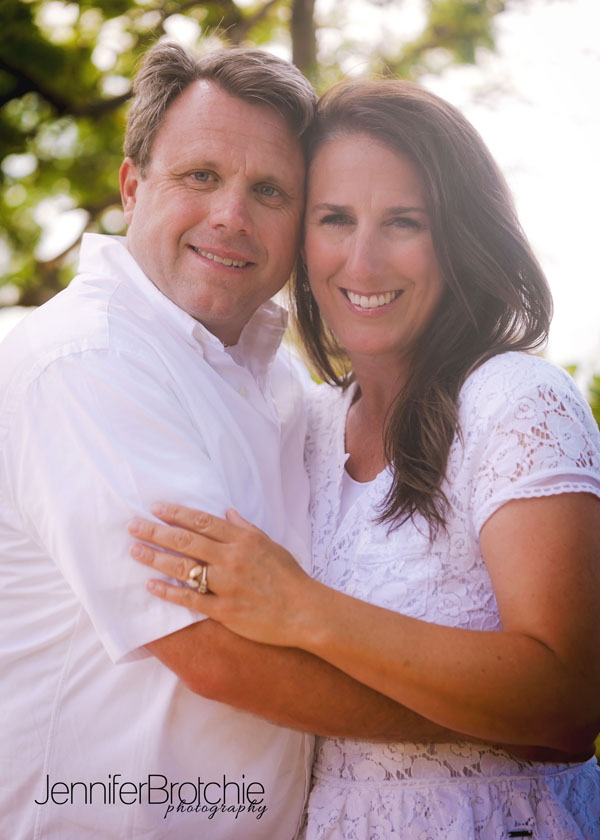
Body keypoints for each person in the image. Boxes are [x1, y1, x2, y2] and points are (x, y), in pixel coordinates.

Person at [0, 48, 464, 840]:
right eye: (201, 176)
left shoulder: (283, 391)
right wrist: (488, 730)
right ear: (132, 187)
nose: (232, 216)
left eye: (271, 191)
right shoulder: (86, 360)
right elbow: (217, 654)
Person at [129, 80, 600, 839]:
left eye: (404, 222)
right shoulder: (304, 426)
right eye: (335, 219)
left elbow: (569, 702)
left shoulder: (515, 401)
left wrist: (303, 609)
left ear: (458, 237)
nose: (363, 258)